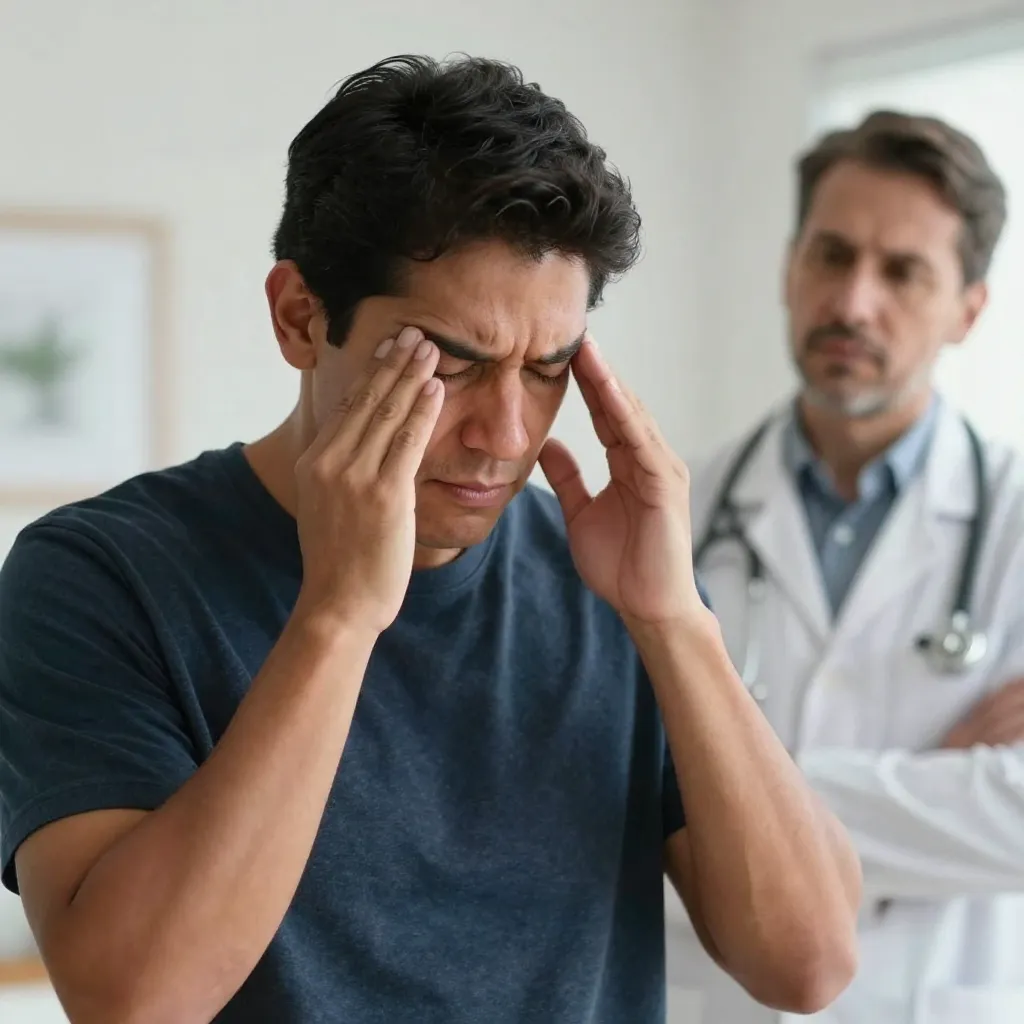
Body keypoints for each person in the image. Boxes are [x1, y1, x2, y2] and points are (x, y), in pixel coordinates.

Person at [0, 55, 860, 1024]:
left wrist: (675, 624)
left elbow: (809, 966)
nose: (504, 435)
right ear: (299, 317)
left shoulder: (614, 586)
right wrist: (337, 617)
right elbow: (134, 1002)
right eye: (451, 364)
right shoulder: (98, 574)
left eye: (548, 368)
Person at [678, 109, 1024, 1024]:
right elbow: (605, 806)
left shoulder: (1016, 521)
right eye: (831, 256)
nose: (852, 302)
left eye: (903, 272)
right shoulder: (671, 516)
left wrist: (736, 795)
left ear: (969, 311)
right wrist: (929, 780)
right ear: (789, 267)